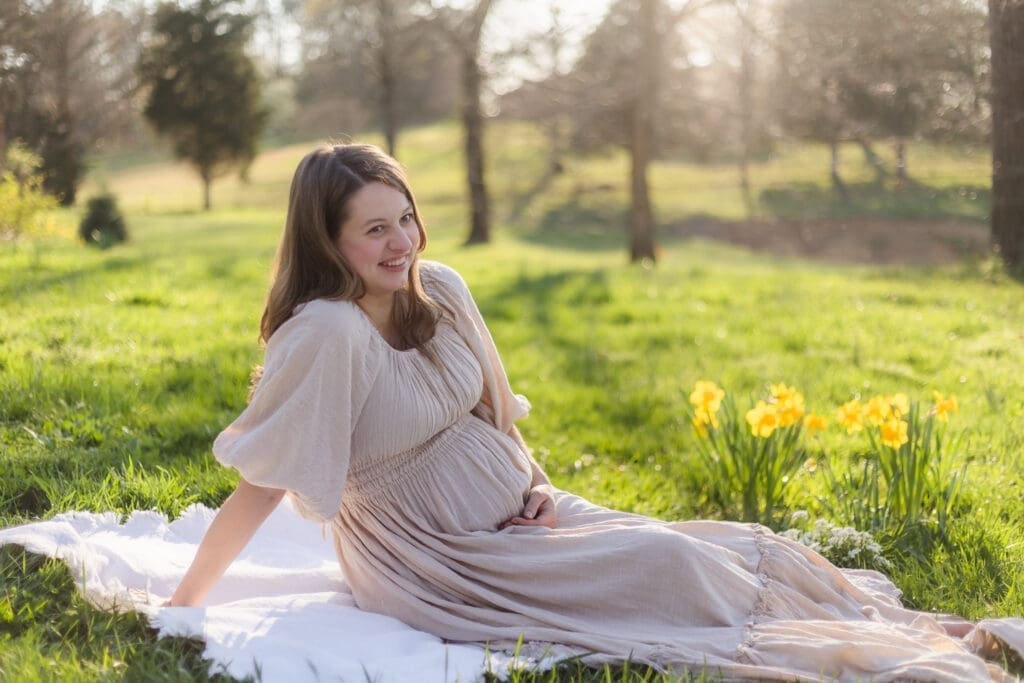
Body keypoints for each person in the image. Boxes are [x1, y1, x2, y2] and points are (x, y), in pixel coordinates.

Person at [169, 143, 1022, 682]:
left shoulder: (445, 289)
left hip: (520, 514)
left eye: (407, 218)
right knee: (668, 566)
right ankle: (889, 662)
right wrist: (185, 603)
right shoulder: (327, 333)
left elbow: (496, 417)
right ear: (327, 242)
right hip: (436, 555)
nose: (403, 244)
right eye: (374, 231)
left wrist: (535, 482)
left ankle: (930, 633)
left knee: (730, 544)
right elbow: (263, 483)